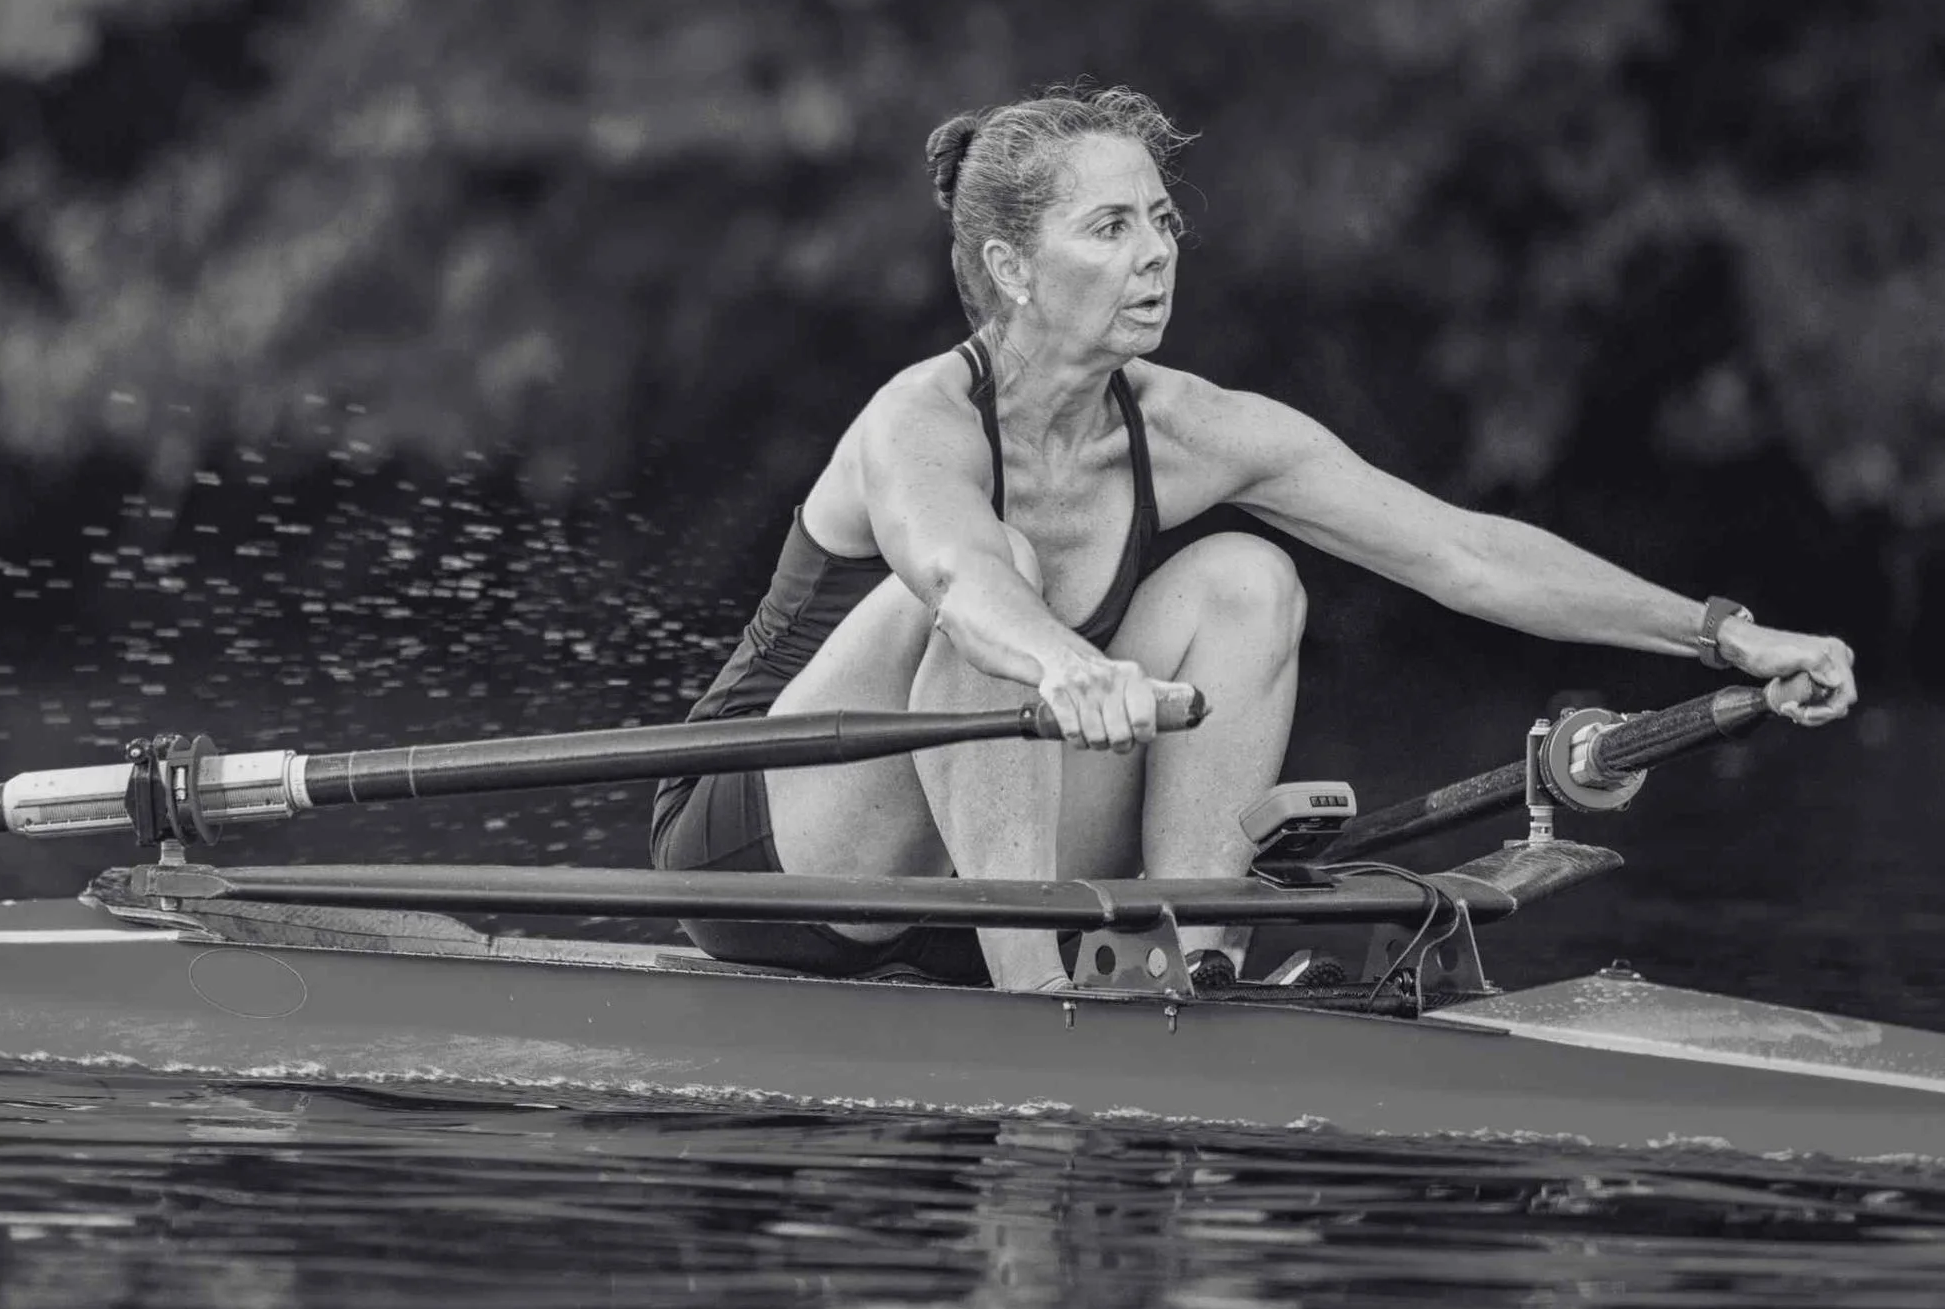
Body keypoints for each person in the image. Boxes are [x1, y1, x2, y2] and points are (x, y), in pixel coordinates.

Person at [649, 86, 1859, 995]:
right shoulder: (916, 420)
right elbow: (959, 577)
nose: (1156, 252)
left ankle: (1188, 961)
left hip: (984, 846)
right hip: (766, 855)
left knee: (1246, 578)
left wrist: (1722, 635)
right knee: (1002, 596)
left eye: (1163, 221)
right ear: (1010, 268)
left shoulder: (1193, 428)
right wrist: (1062, 661)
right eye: (1111, 227)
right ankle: (1043, 1016)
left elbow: (1464, 553)